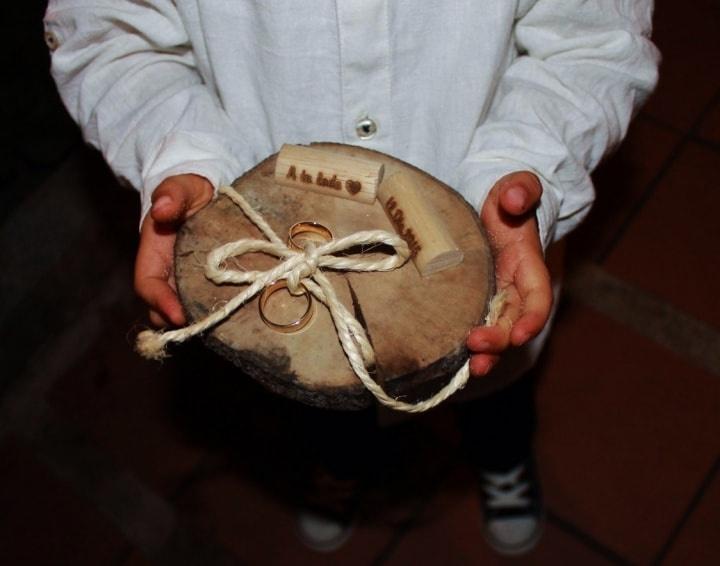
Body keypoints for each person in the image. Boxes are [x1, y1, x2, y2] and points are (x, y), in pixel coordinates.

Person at [44, 0, 659, 555]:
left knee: (494, 395)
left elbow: (594, 41)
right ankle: (341, 468)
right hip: (277, 250)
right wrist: (183, 155)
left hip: (487, 253)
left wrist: (526, 161)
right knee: (325, 406)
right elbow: (106, 35)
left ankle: (501, 462)